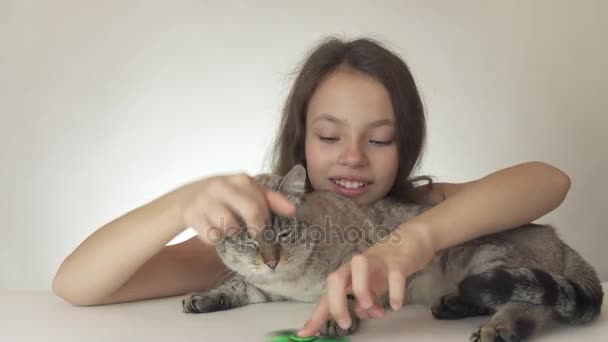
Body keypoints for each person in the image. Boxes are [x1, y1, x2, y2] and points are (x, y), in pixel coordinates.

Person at [52, 36, 571, 337]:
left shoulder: (418, 205)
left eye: (380, 139)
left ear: (405, 146)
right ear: (301, 141)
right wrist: (177, 205)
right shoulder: (255, 236)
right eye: (329, 135)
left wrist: (411, 243)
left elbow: (549, 180)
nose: (352, 156)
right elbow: (75, 286)